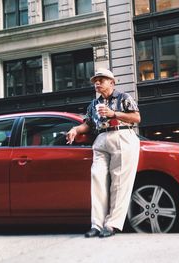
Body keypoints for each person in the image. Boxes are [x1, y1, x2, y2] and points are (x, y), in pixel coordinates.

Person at [66, 68, 141, 238]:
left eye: (101, 80)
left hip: (121, 135)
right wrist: (76, 129)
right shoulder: (93, 104)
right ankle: (97, 225)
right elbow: (89, 124)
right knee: (97, 178)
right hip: (100, 138)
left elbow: (137, 118)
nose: (97, 83)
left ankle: (112, 224)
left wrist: (114, 113)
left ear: (112, 82)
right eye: (95, 81)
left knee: (120, 182)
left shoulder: (123, 97)